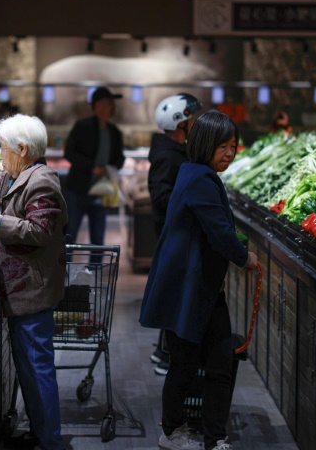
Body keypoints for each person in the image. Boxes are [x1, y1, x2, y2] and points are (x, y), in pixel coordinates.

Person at [140, 110, 258, 450]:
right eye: (223, 146)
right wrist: (243, 257)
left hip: (198, 289)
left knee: (215, 361)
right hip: (189, 291)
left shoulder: (195, 173)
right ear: (206, 144)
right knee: (187, 364)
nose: (229, 153)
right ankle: (174, 433)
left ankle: (212, 437)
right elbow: (220, 232)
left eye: (233, 146)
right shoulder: (200, 179)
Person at [0, 114, 67, 450]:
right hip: (20, 288)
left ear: (22, 149)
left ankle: (50, 441)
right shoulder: (15, 175)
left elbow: (40, 231)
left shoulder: (43, 182)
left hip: (33, 289)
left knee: (38, 369)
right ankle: (41, 432)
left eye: (4, 148)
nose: (0, 155)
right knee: (28, 367)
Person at [147, 93, 202, 376]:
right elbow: (160, 197)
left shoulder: (173, 151)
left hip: (174, 234)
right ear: (180, 123)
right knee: (177, 295)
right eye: (192, 120)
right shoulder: (168, 156)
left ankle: (162, 351)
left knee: (175, 293)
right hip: (173, 236)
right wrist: (191, 206)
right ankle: (169, 356)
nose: (195, 125)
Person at [64, 87, 125, 246]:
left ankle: (94, 270)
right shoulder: (82, 126)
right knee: (70, 234)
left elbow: (120, 158)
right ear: (95, 106)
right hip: (77, 189)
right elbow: (69, 152)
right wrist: (92, 167)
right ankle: (65, 269)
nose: (106, 108)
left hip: (101, 190)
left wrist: (111, 169)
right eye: (102, 104)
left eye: (109, 104)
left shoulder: (115, 132)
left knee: (98, 237)